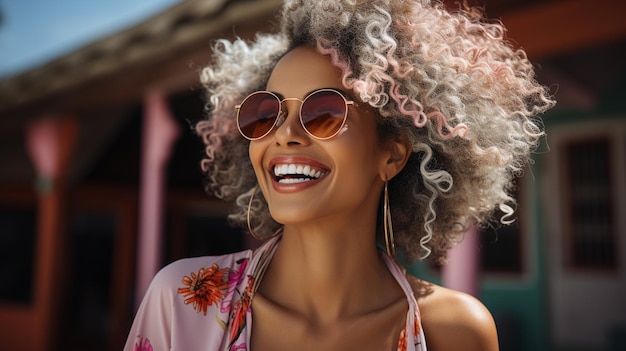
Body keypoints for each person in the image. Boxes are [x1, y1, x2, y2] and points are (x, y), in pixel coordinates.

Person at [124, 0, 554, 350]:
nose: (285, 135)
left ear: (393, 155)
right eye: (266, 114)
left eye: (323, 112)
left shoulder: (456, 332)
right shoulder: (182, 302)